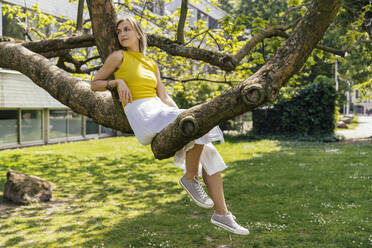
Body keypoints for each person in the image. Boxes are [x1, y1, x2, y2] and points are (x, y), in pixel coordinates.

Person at [90, 16, 249, 235]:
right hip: (142, 113)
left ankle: (222, 215)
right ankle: (190, 178)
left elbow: (164, 97)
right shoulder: (118, 56)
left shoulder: (150, 63)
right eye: (119, 31)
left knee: (209, 150)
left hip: (159, 109)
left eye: (127, 29)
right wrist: (116, 82)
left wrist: (182, 115)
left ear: (138, 33)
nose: (122, 34)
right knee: (199, 122)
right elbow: (94, 84)